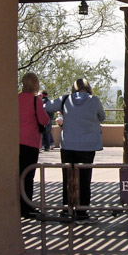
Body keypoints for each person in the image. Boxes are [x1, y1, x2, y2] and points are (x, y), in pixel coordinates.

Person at [46, 78, 105, 223]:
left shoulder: (65, 100)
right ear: (88, 88)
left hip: (68, 145)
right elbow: (102, 117)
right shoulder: (95, 101)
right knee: (84, 180)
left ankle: (67, 210)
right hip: (87, 146)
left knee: (68, 179)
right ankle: (82, 212)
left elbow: (46, 107)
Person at [18, 72, 51, 219]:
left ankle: (18, 205)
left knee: (19, 174)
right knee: (28, 175)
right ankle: (27, 207)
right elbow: (44, 120)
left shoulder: (16, 98)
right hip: (30, 142)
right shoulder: (35, 101)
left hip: (16, 141)